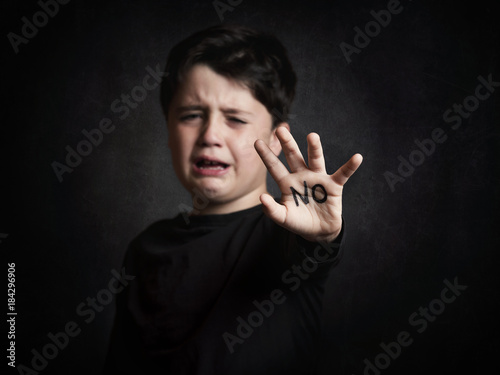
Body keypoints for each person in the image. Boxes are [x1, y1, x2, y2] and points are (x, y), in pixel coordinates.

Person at [103, 23, 363, 375]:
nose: (210, 135)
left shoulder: (286, 240)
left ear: (276, 138)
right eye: (192, 115)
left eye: (236, 119)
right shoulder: (144, 249)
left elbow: (315, 250)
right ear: (168, 129)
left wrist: (319, 237)